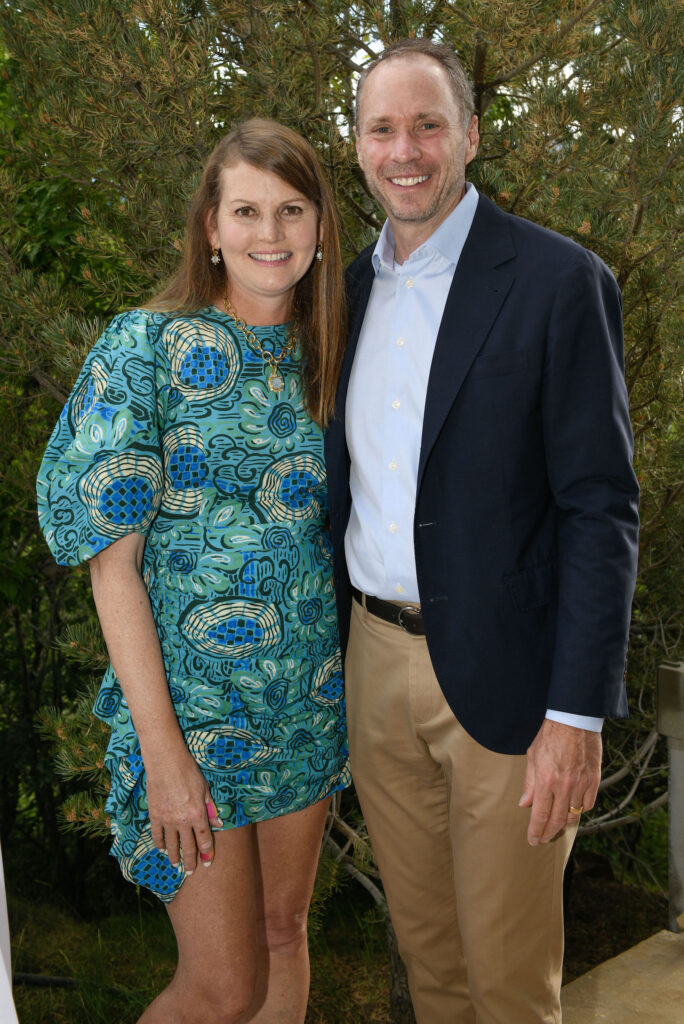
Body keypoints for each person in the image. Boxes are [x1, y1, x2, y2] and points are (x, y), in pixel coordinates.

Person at [324, 38, 639, 1024]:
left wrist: (576, 715)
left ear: (469, 134)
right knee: (435, 973)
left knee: (508, 985)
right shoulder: (340, 294)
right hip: (375, 669)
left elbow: (600, 505)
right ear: (358, 145)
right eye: (382, 128)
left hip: (511, 686)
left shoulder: (557, 281)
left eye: (427, 125)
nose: (404, 150)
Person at [37, 118, 350, 1024]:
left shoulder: (330, 351)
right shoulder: (143, 348)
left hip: (304, 702)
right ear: (210, 227)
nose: (270, 233)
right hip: (189, 714)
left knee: (284, 932)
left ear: (321, 228)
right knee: (222, 988)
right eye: (246, 210)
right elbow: (113, 573)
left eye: (292, 210)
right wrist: (164, 755)